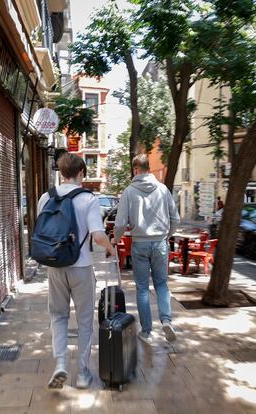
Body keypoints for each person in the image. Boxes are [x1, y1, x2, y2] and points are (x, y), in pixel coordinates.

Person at [37, 154, 114, 390]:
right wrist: (111, 248)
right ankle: (82, 374)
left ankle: (60, 363)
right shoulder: (88, 199)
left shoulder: (45, 197)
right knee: (84, 322)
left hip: (54, 265)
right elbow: (98, 235)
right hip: (81, 267)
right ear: (81, 173)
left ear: (61, 173)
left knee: (58, 317)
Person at [113, 154, 180, 345]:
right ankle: (166, 321)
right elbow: (175, 219)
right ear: (148, 168)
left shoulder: (129, 192)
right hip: (160, 243)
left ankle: (147, 331)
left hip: (140, 243)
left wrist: (116, 240)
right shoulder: (162, 189)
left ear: (135, 169)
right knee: (161, 285)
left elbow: (120, 224)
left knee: (142, 288)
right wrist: (167, 236)